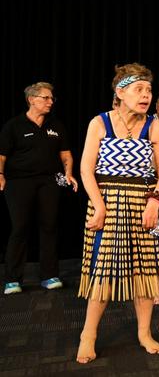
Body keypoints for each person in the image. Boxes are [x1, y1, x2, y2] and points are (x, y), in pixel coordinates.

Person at [76, 63, 159, 364]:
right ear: (120, 92)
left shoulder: (155, 126)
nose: (146, 95)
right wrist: (99, 205)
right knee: (103, 272)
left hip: (143, 203)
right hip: (105, 201)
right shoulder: (100, 123)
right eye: (139, 90)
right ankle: (88, 335)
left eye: (149, 90)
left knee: (145, 273)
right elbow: (85, 168)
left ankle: (144, 332)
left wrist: (154, 202)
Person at [1, 82, 78, 295]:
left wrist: (68, 174)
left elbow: (66, 154)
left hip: (49, 181)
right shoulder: (14, 125)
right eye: (46, 98)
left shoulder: (56, 125)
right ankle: (12, 280)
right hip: (19, 182)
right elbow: (2, 155)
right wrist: (0, 175)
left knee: (49, 226)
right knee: (20, 228)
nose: (50, 102)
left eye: (52, 98)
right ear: (32, 99)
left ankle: (49, 276)